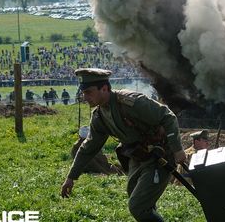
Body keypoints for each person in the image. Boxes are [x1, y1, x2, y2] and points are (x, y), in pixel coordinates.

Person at [61, 68, 186, 222]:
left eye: (89, 92)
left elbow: (168, 117)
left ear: (105, 88)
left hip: (160, 157)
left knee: (137, 206)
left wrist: (177, 149)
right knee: (139, 199)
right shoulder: (99, 116)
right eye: (84, 92)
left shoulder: (131, 102)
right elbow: (89, 147)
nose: (85, 97)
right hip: (137, 157)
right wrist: (71, 177)